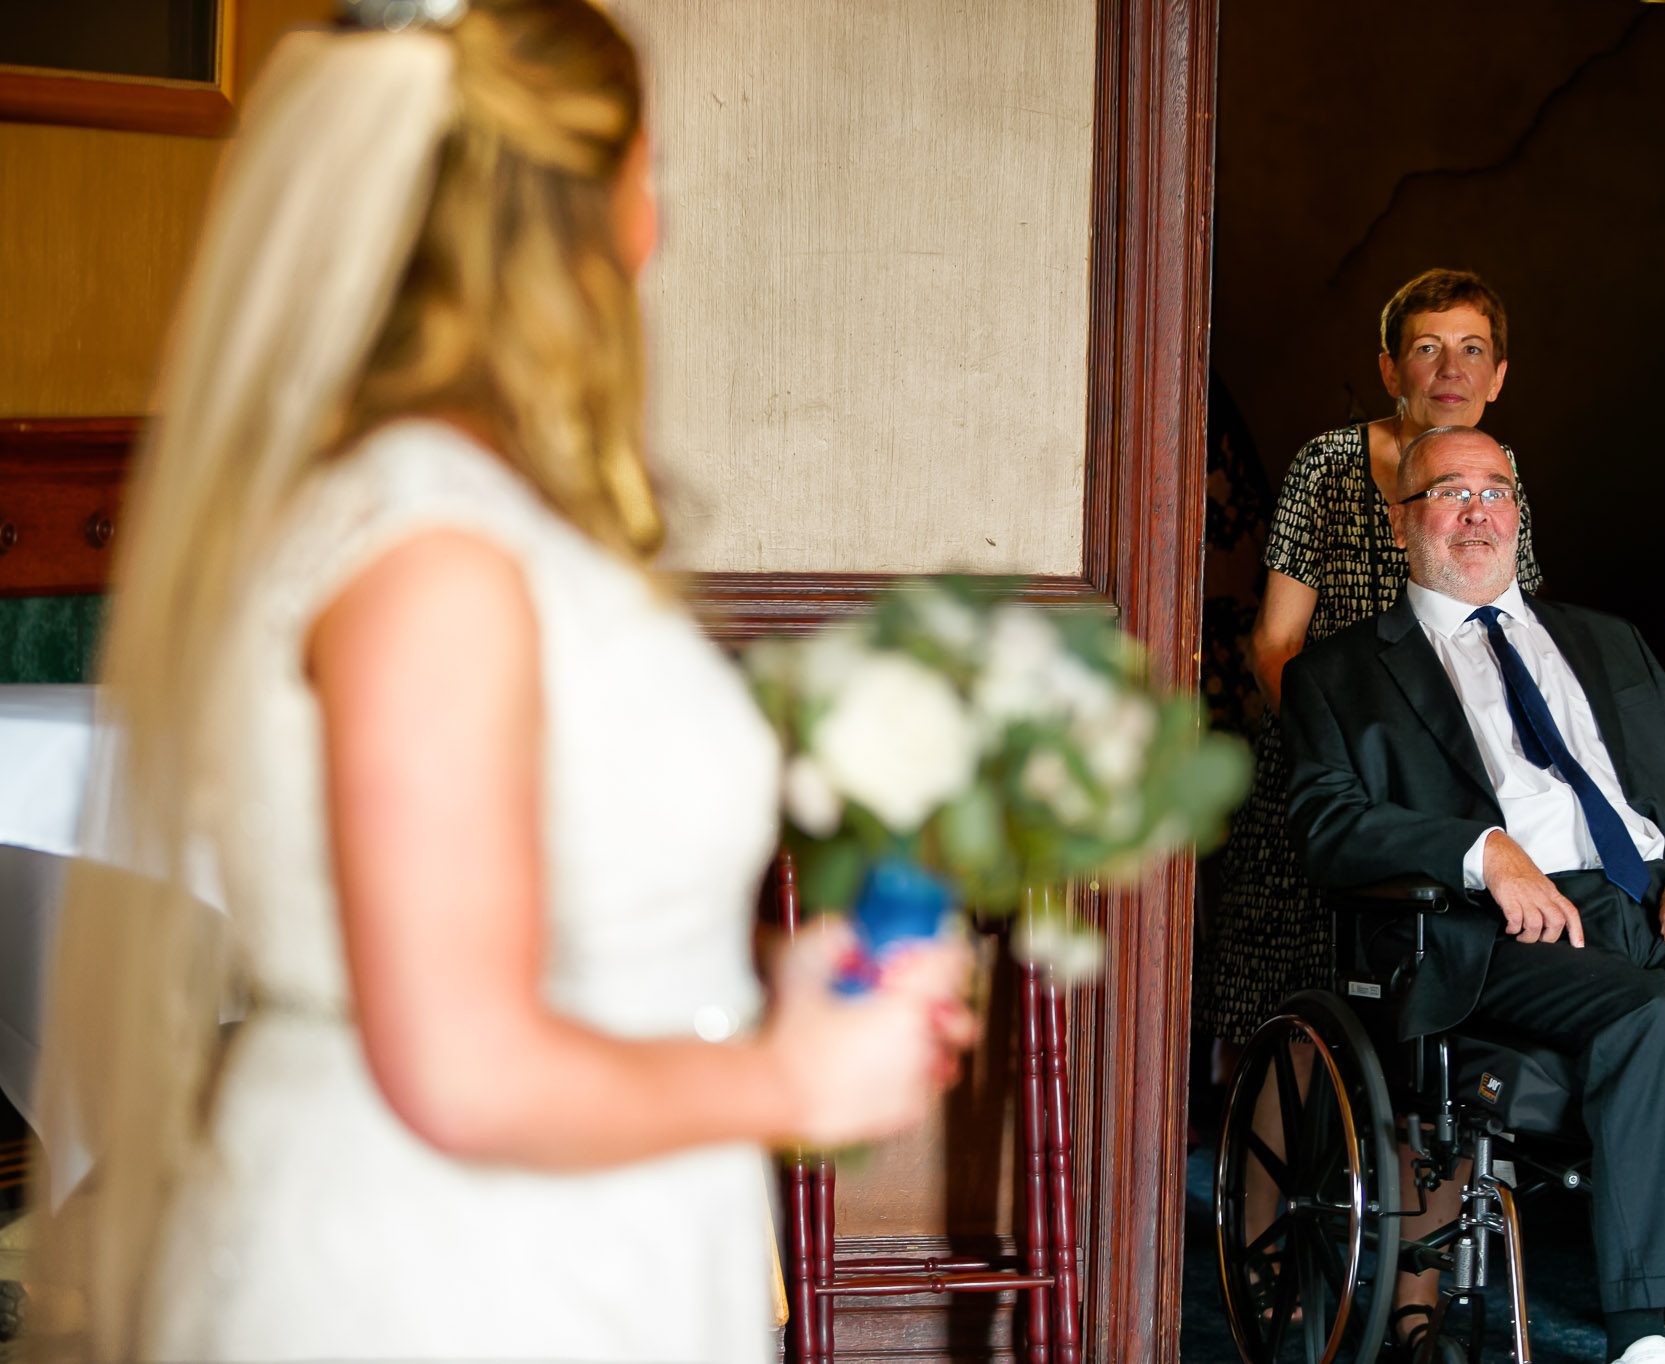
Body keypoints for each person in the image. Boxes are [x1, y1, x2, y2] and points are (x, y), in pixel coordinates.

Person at [28, 3, 970, 1361]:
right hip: (456, 1275)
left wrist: (760, 992)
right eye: (653, 173)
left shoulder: (456, 517)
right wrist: (788, 1074)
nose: (663, 223)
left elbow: (519, 915)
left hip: (573, 1240)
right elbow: (460, 1065)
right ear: (575, 215)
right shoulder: (430, 550)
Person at [1281, 426, 1665, 1364]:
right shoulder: (1338, 674)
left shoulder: (1605, 639)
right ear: (1399, 522)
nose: (1476, 513)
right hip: (1498, 928)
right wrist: (1482, 851)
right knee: (1654, 1019)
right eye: (1448, 493)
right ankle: (1643, 1335)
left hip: (1653, 898)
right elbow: (1328, 826)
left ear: (1518, 512)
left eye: (1494, 491)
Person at [1193, 268, 1540, 1049]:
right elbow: (1275, 645)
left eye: (1472, 350)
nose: (1452, 371)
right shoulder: (1329, 466)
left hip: (1451, 783)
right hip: (1327, 762)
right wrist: (1347, 758)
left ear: (1498, 376)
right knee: (1299, 1013)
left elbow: (1514, 641)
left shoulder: (1496, 473)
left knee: (1430, 1013)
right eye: (1428, 347)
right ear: (1390, 369)